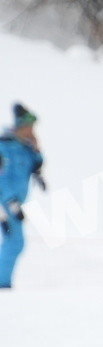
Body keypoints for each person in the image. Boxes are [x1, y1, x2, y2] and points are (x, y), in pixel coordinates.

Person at [0, 103, 46, 289]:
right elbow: (2, 179)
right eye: (29, 127)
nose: (31, 131)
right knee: (14, 241)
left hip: (16, 201)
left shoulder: (25, 148)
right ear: (20, 125)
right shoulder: (5, 147)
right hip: (5, 202)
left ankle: (3, 282)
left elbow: (37, 164)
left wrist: (36, 148)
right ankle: (2, 283)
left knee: (14, 241)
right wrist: (11, 202)